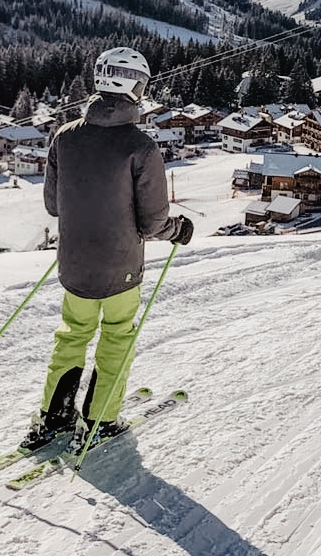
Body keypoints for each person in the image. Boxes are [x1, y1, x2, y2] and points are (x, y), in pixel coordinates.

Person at [22, 46, 195, 451]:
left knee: (71, 336)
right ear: (136, 86)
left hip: (75, 264)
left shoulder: (64, 137)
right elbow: (152, 223)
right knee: (116, 337)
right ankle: (99, 419)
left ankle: (55, 415)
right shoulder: (141, 147)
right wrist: (178, 230)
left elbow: (53, 205)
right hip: (121, 269)